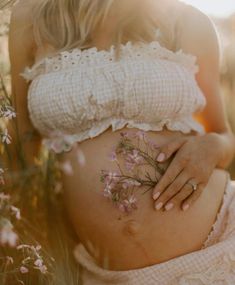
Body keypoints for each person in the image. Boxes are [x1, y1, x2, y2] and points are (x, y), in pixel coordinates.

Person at [9, 0, 235, 284]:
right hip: (102, 272)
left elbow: (224, 136)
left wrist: (212, 147)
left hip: (221, 248)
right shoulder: (31, 17)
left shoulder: (185, 20)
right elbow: (20, 142)